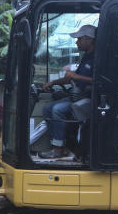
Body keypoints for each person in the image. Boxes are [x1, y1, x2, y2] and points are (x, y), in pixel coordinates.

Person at [39, 24, 96, 159]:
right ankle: (61, 146)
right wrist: (52, 83)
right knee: (47, 108)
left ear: (89, 40)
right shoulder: (86, 58)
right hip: (75, 97)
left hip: (88, 98)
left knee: (57, 109)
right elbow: (71, 78)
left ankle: (58, 149)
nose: (77, 42)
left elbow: (99, 80)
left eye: (79, 39)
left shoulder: (98, 58)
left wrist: (76, 76)